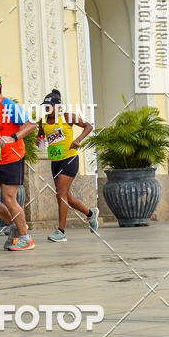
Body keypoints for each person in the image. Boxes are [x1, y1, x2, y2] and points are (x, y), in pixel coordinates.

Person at [0, 71, 38, 251]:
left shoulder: (9, 107)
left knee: (8, 198)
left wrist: (14, 137)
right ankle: (15, 227)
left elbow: (31, 125)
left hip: (12, 158)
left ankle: (26, 238)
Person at [38, 89, 99, 242]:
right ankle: (90, 214)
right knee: (66, 196)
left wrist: (78, 140)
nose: (46, 109)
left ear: (58, 106)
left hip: (70, 159)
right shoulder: (43, 121)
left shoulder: (67, 117)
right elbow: (40, 136)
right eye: (45, 106)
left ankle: (61, 232)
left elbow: (88, 127)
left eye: (49, 106)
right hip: (55, 162)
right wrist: (39, 141)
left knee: (60, 194)